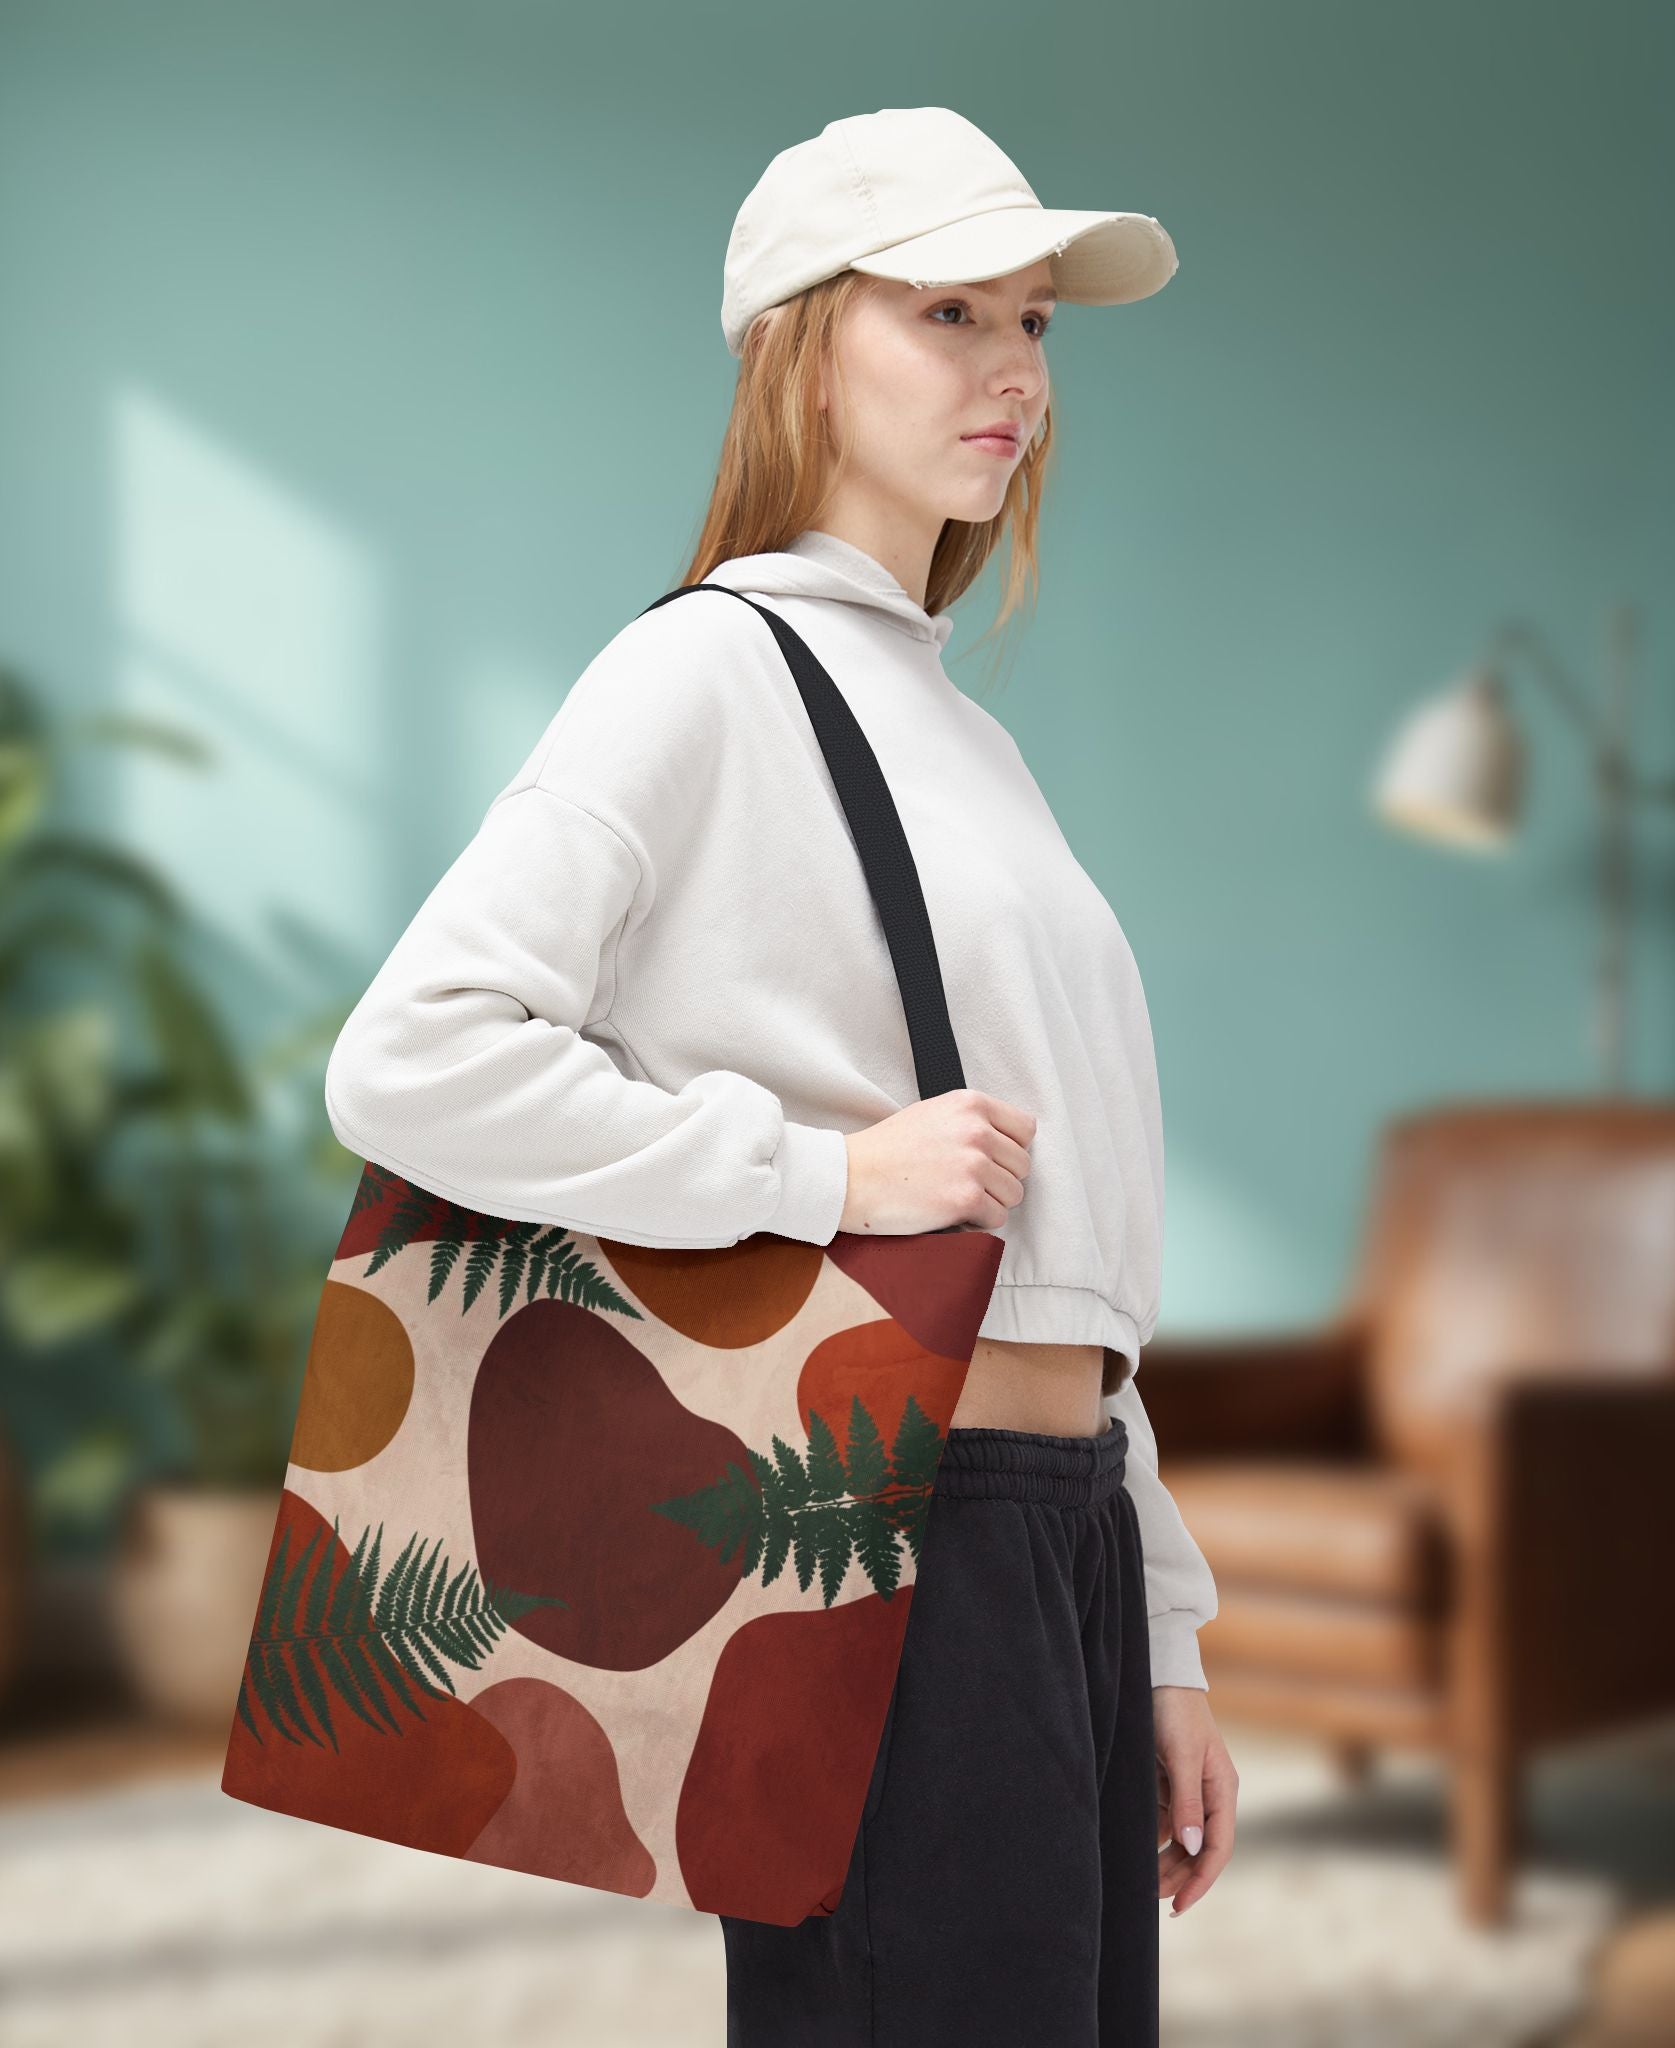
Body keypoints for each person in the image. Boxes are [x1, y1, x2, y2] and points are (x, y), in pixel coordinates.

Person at [324, 104, 1237, 2047]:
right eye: (948, 312)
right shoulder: (703, 674)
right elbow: (409, 1058)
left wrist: (1160, 1629)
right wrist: (824, 1177)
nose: (1015, 368)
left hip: (1055, 1527)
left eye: (1034, 322)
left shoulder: (968, 741)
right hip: (892, 1526)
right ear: (801, 352)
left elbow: (1068, 1253)